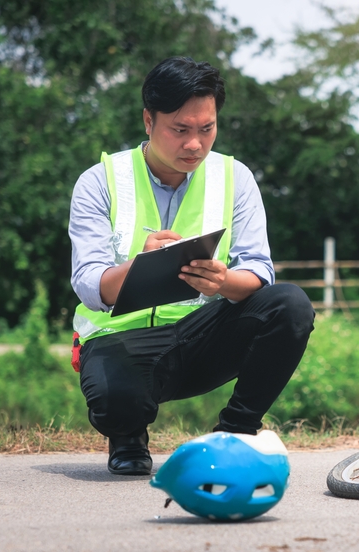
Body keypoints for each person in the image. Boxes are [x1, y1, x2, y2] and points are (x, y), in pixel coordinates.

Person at [68, 56, 314, 475]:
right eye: (179, 130)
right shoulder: (100, 180)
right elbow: (88, 283)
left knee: (289, 304)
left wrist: (223, 282)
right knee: (115, 400)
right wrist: (137, 265)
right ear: (149, 120)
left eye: (207, 129)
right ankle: (127, 438)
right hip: (120, 339)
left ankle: (235, 435)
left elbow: (259, 270)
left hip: (201, 334)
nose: (195, 144)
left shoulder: (235, 177)